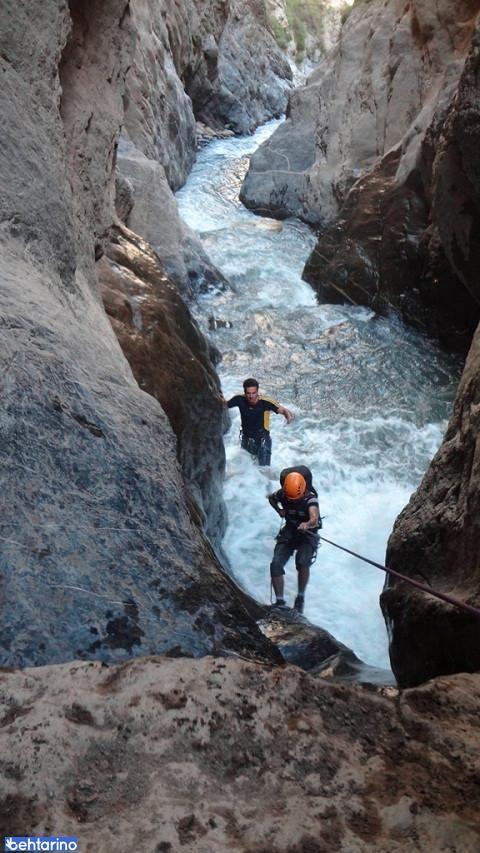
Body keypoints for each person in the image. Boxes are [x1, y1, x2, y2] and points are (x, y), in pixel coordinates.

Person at [267, 466, 321, 614]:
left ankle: (300, 598)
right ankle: (280, 602)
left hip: (308, 534)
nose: (292, 501)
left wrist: (307, 524)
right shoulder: (283, 494)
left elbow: (314, 519)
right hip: (290, 530)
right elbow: (271, 498)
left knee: (303, 562)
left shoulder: (310, 499)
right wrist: (279, 511)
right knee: (275, 564)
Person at [224, 378, 294, 466]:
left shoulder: (265, 402)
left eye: (253, 393)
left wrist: (288, 417)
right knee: (246, 467)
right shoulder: (239, 399)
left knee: (264, 469)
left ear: (257, 392)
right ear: (244, 393)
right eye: (248, 393)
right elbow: (225, 405)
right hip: (246, 437)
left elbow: (283, 410)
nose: (251, 396)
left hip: (262, 439)